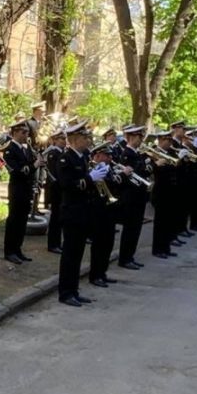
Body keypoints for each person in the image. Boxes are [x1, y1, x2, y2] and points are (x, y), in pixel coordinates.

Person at [57, 122, 104, 307]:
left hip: (83, 211)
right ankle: (65, 292)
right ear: (75, 139)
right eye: (85, 137)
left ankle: (74, 290)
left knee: (77, 255)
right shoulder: (65, 159)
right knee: (69, 255)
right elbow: (67, 185)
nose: (88, 140)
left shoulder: (82, 157)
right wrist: (89, 179)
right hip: (71, 212)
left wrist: (95, 176)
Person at [87, 141, 121, 288]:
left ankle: (103, 272)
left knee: (108, 243)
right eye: (107, 155)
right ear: (98, 155)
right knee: (99, 244)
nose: (109, 158)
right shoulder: (92, 169)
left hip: (110, 210)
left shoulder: (109, 168)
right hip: (98, 210)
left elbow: (114, 185)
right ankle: (95, 275)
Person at [117, 125, 150, 270]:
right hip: (131, 196)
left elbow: (144, 170)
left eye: (141, 137)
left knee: (136, 228)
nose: (141, 140)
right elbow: (127, 177)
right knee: (130, 229)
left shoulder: (137, 153)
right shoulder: (126, 154)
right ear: (130, 137)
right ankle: (125, 258)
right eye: (138, 137)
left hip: (139, 196)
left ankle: (130, 256)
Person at [2, 120, 35, 264]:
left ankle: (18, 249)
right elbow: (16, 171)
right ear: (15, 132)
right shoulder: (10, 149)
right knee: (14, 221)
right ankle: (9, 251)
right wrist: (34, 166)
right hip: (17, 190)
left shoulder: (26, 148)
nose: (26, 135)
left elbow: (29, 168)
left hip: (26, 189)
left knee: (22, 221)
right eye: (23, 132)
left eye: (27, 132)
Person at [150, 130, 180, 259]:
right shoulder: (153, 153)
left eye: (171, 141)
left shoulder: (170, 153)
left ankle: (166, 247)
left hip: (171, 191)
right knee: (160, 223)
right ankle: (158, 249)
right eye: (167, 141)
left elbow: (176, 168)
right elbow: (153, 171)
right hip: (160, 191)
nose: (169, 143)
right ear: (161, 140)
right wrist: (157, 165)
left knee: (169, 221)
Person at [44, 130, 66, 255]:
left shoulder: (62, 153)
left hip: (61, 190)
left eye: (64, 138)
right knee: (55, 218)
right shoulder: (53, 154)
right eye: (61, 139)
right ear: (55, 140)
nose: (64, 141)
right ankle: (53, 244)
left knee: (60, 218)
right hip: (56, 189)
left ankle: (57, 242)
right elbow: (54, 174)